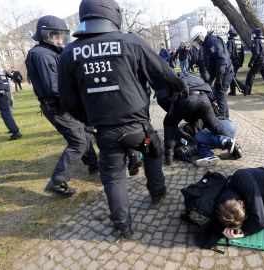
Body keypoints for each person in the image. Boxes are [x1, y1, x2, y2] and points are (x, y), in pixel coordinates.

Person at [57, 0, 189, 239]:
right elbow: (163, 74)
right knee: (153, 152)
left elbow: (67, 99)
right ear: (112, 14)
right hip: (138, 126)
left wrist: (88, 118)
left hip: (104, 131)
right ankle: (157, 193)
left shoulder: (69, 52)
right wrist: (181, 85)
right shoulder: (131, 42)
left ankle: (122, 225)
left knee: (113, 178)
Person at [25, 15, 99, 197]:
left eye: (61, 36)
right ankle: (57, 181)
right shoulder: (42, 54)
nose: (60, 40)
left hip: (63, 104)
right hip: (58, 106)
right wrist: (79, 95)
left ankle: (94, 164)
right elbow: (54, 87)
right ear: (45, 35)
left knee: (83, 133)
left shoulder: (50, 52)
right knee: (78, 141)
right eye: (55, 36)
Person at [156, 72, 241, 166]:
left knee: (170, 124)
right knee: (215, 124)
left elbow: (161, 98)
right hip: (204, 99)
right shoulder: (196, 77)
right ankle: (234, 146)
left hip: (184, 99)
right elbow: (210, 94)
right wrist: (210, 115)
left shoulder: (171, 78)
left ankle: (169, 156)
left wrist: (172, 110)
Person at [190, 25, 234, 118]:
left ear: (201, 35)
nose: (197, 41)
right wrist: (212, 78)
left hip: (225, 73)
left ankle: (222, 120)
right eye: (196, 40)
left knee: (219, 96)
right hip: (222, 72)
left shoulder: (212, 41)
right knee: (219, 95)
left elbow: (221, 59)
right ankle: (225, 118)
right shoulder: (207, 43)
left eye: (197, 39)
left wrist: (219, 78)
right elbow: (212, 63)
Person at [174, 118, 239, 166]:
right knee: (199, 143)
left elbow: (196, 129)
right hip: (231, 128)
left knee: (197, 137)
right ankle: (210, 156)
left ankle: (225, 141)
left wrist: (184, 126)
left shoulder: (196, 120)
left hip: (224, 124)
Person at [244, 28, 264, 95]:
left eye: (253, 34)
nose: (252, 36)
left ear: (256, 34)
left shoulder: (256, 41)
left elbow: (256, 53)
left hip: (259, 61)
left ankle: (248, 90)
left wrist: (251, 61)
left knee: (250, 75)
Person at [226, 29, 246, 96]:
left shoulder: (230, 42)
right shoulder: (239, 42)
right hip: (238, 62)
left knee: (231, 77)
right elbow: (242, 53)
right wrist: (241, 62)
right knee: (233, 76)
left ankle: (244, 87)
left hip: (232, 62)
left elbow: (228, 53)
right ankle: (233, 91)